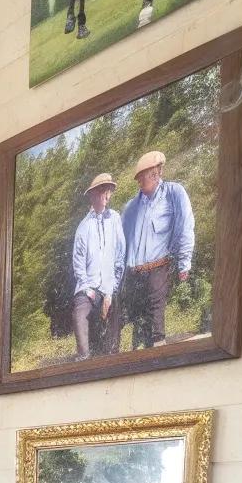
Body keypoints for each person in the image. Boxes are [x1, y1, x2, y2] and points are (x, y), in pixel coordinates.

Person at [121, 150, 195, 348]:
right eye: (138, 178)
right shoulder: (130, 208)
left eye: (142, 177)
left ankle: (158, 352)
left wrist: (184, 262)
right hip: (134, 274)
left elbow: (185, 226)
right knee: (138, 326)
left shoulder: (174, 193)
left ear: (155, 174)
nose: (139, 181)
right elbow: (121, 244)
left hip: (158, 268)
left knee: (156, 323)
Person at [71, 173, 125, 360]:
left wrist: (111, 291)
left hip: (109, 287)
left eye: (109, 191)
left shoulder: (115, 219)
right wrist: (87, 289)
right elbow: (78, 262)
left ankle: (112, 355)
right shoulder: (83, 227)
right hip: (89, 287)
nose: (107, 196)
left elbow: (120, 256)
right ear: (92, 195)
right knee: (80, 312)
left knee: (114, 310)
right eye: (103, 191)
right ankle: (83, 356)